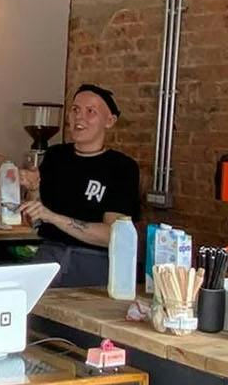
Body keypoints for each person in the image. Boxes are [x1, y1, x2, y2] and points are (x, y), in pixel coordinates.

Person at [19, 83, 143, 287]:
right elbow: (35, 220)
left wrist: (53, 217)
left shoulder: (121, 167)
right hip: (48, 255)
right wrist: (33, 189)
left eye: (90, 111)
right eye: (75, 110)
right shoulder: (55, 156)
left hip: (93, 262)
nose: (79, 117)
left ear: (109, 121)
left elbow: (113, 235)